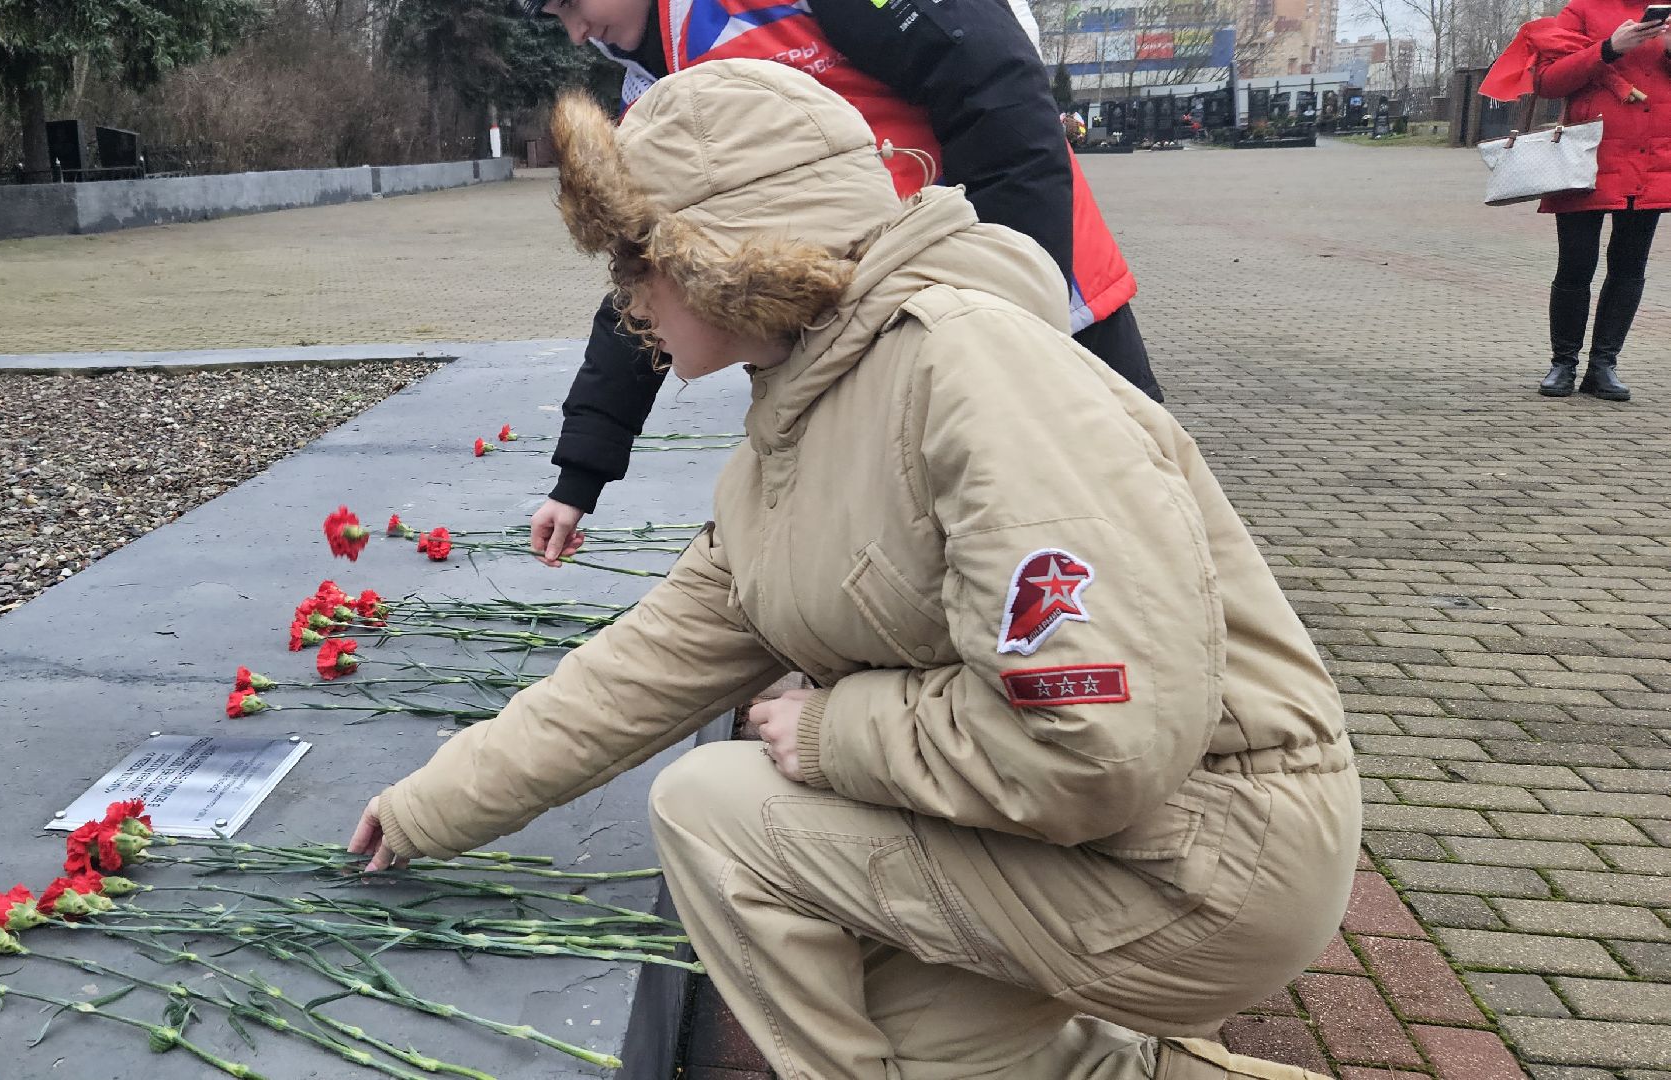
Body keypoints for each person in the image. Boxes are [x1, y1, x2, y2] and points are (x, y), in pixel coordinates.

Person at [348, 61, 1359, 1080]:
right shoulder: (795, 426)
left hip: (1202, 866)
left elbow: (1096, 739)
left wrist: (839, 731)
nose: (623, 298)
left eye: (637, 259)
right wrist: (427, 807)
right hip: (1095, 837)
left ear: (725, 251)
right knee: (939, 1042)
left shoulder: (971, 373)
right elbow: (640, 670)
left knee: (713, 807)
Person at [522, 0, 1162, 564]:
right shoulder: (654, 90)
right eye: (559, 21)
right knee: (951, 555)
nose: (577, 33)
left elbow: (997, 92)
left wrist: (1009, 311)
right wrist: (581, 474)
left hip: (1029, 295)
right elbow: (652, 280)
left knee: (1128, 527)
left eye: (572, 4)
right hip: (864, 345)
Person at [1528, 2, 1671, 400]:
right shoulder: (1582, 10)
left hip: (1651, 158)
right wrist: (1609, 47)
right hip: (1585, 157)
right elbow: (1547, 81)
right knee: (1576, 264)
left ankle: (1603, 365)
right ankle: (1563, 363)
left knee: (1629, 266)